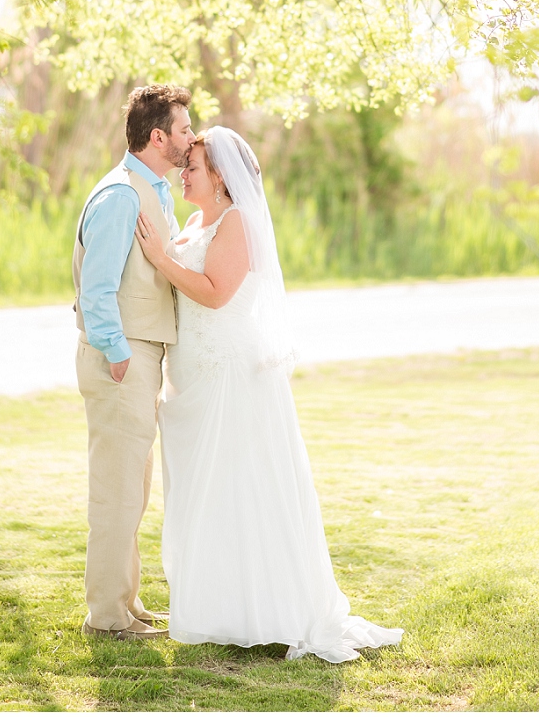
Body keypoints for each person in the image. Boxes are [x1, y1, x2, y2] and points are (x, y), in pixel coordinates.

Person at [134, 125, 403, 661]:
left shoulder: (237, 223)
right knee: (205, 491)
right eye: (185, 165)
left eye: (194, 167)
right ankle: (218, 607)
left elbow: (214, 294)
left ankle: (268, 609)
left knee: (243, 486)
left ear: (222, 179)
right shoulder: (192, 221)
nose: (184, 172)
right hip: (193, 376)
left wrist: (162, 259)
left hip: (232, 374)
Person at [73, 84, 195, 640]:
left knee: (133, 489)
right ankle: (107, 617)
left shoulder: (153, 191)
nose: (191, 138)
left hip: (141, 357)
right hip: (120, 359)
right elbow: (96, 289)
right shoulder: (122, 196)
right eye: (185, 129)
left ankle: (126, 601)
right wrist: (118, 356)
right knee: (116, 492)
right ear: (158, 136)